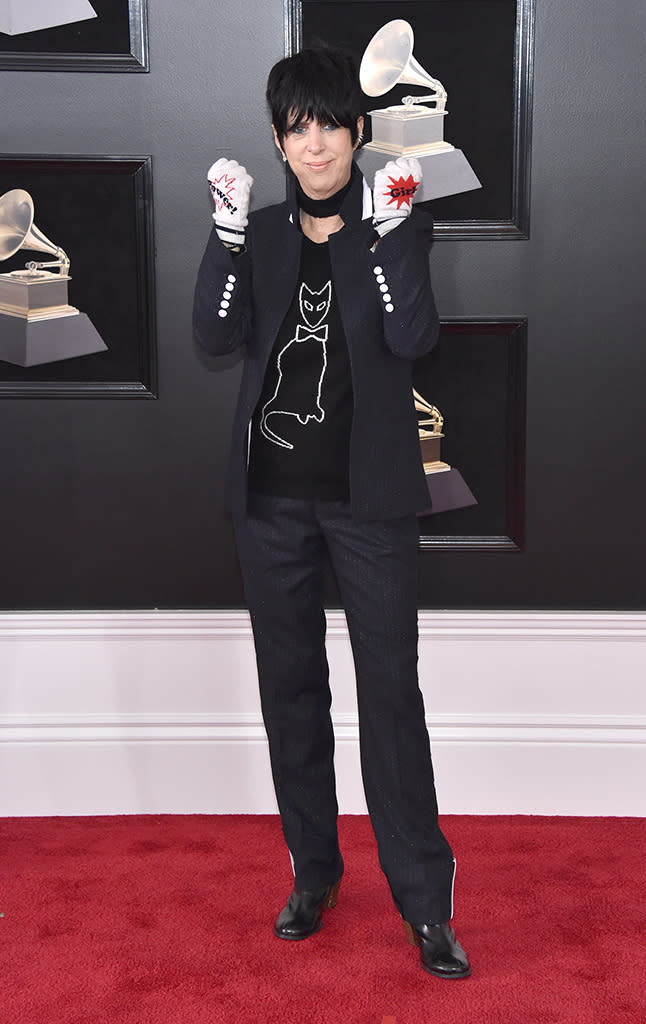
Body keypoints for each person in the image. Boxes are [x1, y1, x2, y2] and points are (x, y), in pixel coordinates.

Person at [192, 46, 470, 980]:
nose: (315, 144)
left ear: (357, 131)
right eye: (296, 128)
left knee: (391, 697)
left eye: (329, 125)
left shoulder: (396, 224)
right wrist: (226, 240)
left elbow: (411, 337)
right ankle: (314, 873)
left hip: (369, 505)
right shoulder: (262, 234)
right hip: (269, 505)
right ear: (279, 141)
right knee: (292, 696)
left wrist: (389, 239)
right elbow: (214, 334)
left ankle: (426, 904)